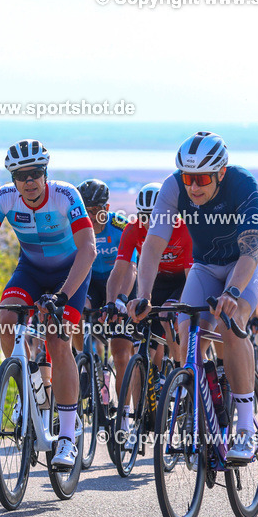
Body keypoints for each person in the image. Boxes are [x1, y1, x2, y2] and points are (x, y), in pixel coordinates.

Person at [129, 131, 258, 463]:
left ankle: (246, 430)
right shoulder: (173, 187)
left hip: (248, 261)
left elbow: (251, 249)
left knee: (232, 324)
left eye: (203, 178)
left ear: (221, 173)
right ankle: (202, 416)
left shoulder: (242, 184)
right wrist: (143, 294)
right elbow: (153, 244)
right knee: (187, 335)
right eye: (188, 177)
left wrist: (233, 292)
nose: (193, 186)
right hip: (206, 265)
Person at [0, 139, 96, 467]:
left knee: (57, 340)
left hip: (69, 275)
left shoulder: (66, 195)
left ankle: (67, 437)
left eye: (35, 173)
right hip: (30, 272)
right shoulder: (4, 197)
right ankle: (28, 388)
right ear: (12, 179)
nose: (29, 181)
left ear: (45, 173)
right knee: (7, 319)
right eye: (20, 176)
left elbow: (88, 249)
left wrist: (63, 296)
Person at [107, 182, 192, 443]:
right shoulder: (133, 229)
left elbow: (191, 276)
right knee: (139, 346)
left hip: (182, 280)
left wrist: (180, 308)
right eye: (144, 216)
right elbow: (120, 269)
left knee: (169, 317)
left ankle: (180, 373)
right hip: (153, 282)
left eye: (155, 216)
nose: (149, 222)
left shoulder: (183, 228)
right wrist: (112, 302)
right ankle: (140, 417)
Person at [72, 178, 127, 354]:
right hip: (93, 282)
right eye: (85, 211)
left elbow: (132, 267)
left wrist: (121, 298)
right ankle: (82, 358)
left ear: (107, 208)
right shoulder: (74, 229)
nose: (90, 217)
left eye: (95, 210)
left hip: (120, 281)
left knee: (121, 353)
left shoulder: (120, 226)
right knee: (78, 311)